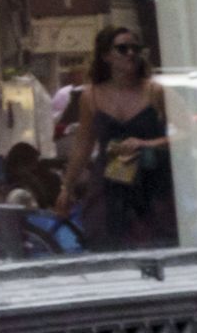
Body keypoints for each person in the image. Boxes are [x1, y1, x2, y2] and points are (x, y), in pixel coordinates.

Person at [62, 26, 178, 252]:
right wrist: (66, 187)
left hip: (151, 182)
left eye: (135, 48)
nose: (130, 54)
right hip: (109, 183)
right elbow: (83, 145)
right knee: (106, 242)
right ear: (106, 56)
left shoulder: (155, 92)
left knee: (156, 242)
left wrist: (148, 144)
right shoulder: (91, 96)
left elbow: (188, 133)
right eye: (122, 49)